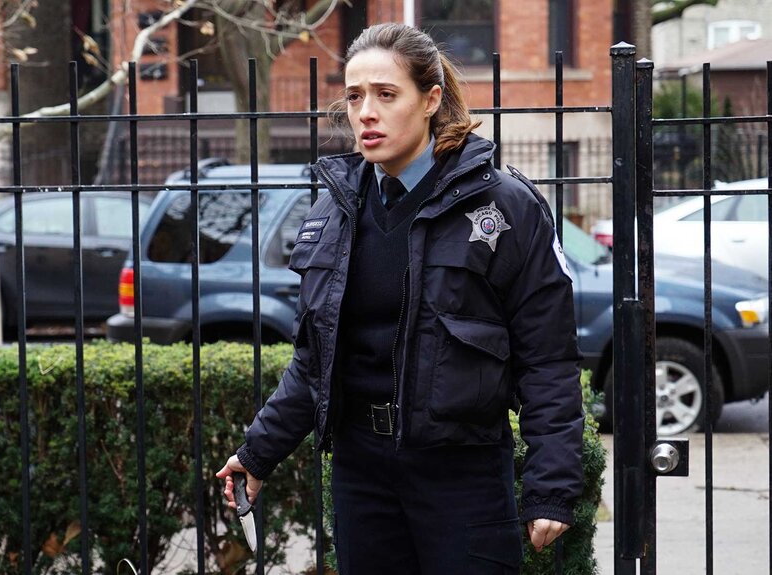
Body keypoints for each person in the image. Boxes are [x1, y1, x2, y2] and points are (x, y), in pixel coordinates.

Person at [217, 22, 584, 574]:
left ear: (431, 100)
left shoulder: (503, 208)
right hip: (361, 474)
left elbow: (548, 360)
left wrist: (551, 484)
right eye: (356, 96)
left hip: (462, 475)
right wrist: (257, 452)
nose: (366, 112)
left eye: (387, 95)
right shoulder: (334, 211)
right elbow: (315, 359)